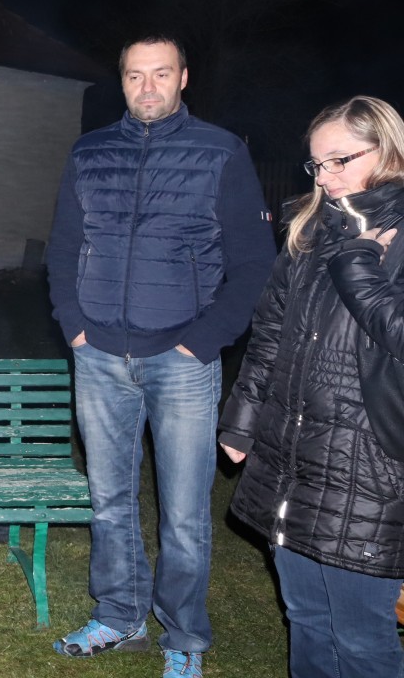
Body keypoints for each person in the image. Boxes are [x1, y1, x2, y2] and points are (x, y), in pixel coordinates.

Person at [46, 35, 276, 677]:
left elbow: (255, 263)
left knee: (183, 513)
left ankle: (184, 637)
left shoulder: (220, 151)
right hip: (99, 356)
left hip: (182, 360)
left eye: (161, 74)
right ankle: (120, 615)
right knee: (108, 499)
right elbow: (62, 247)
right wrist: (74, 327)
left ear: (183, 78)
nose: (147, 87)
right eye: (134, 75)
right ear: (121, 81)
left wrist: (203, 340)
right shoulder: (90, 151)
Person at [219, 96, 404, 678]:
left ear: (388, 151)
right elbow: (270, 334)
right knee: (304, 616)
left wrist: (359, 266)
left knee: (361, 637)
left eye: (339, 161)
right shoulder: (311, 230)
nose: (324, 178)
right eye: (317, 164)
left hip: (369, 469)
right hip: (291, 458)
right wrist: (241, 422)